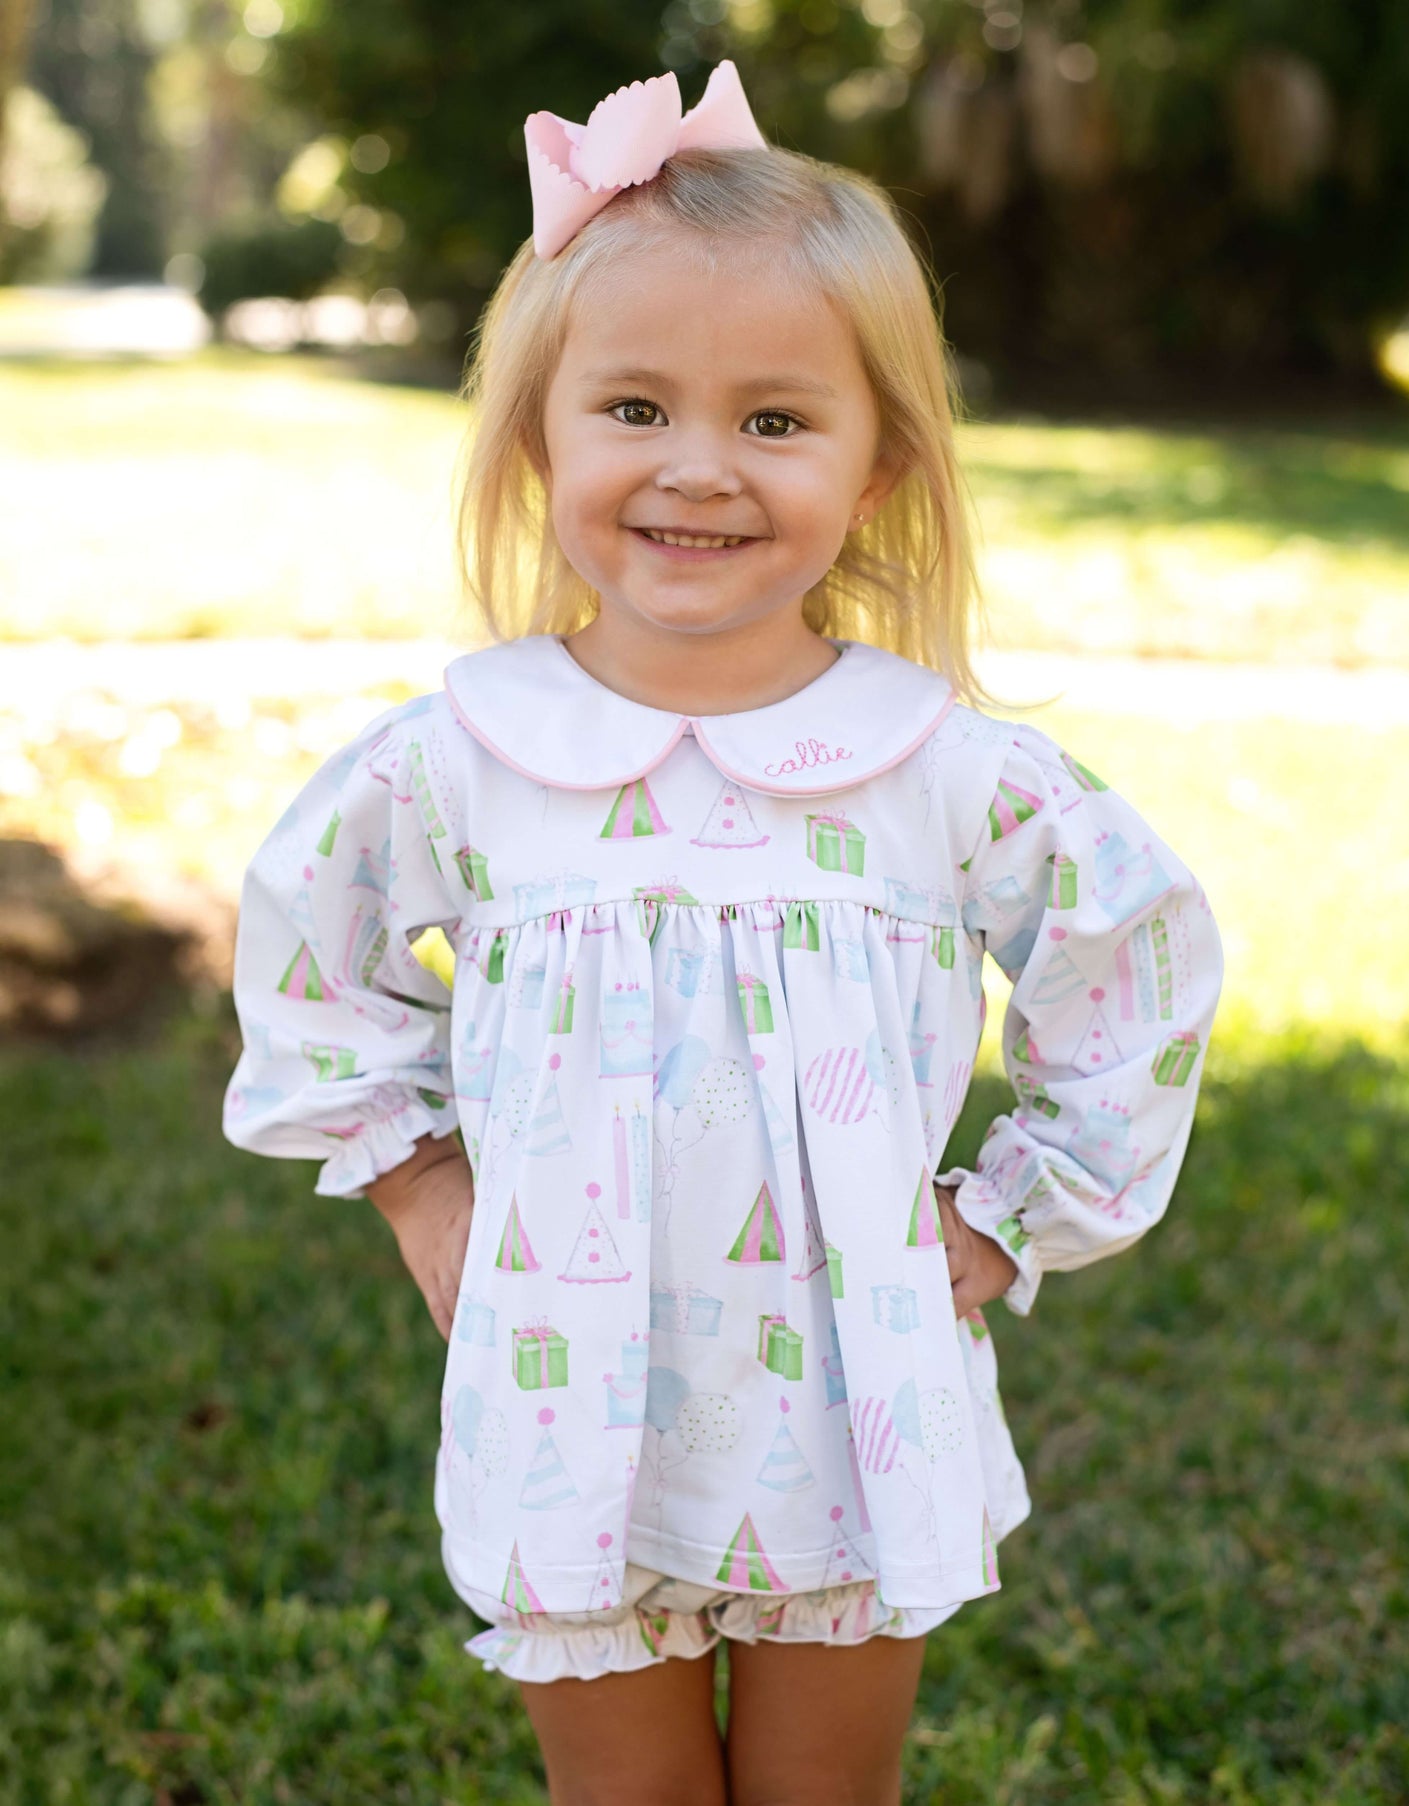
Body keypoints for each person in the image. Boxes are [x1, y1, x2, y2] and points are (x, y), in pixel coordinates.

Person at [221, 58, 1225, 1806]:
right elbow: (316, 950)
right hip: (565, 1397)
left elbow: (1128, 957)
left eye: (773, 420)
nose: (698, 468)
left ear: (879, 461)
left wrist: (1013, 1214)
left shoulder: (940, 766)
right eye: (632, 409)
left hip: (857, 1395)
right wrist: (417, 1176)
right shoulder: (464, 755)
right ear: (537, 435)